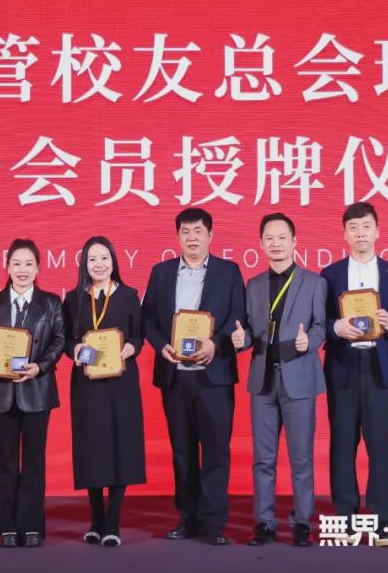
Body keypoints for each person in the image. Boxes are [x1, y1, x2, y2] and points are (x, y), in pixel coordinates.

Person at [141, 207, 247, 546]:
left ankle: (214, 522)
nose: (192, 238)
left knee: (216, 450)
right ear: (177, 237)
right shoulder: (161, 273)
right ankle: (187, 517)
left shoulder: (229, 272)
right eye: (185, 232)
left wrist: (216, 344)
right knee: (182, 450)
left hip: (214, 376)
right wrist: (161, 346)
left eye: (198, 231)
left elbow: (238, 317)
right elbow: (148, 320)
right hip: (176, 376)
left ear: (210, 236)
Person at [321, 201, 388, 541]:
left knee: (381, 446)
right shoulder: (330, 275)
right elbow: (319, 321)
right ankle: (345, 518)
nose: (360, 233)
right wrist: (336, 327)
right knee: (342, 444)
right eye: (354, 228)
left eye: (366, 227)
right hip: (343, 366)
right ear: (345, 234)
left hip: (380, 367)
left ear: (377, 231)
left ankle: (380, 520)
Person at [232, 213, 326, 547]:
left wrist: (309, 342)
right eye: (269, 238)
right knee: (263, 458)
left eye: (282, 237)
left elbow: (320, 326)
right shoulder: (254, 285)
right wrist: (241, 340)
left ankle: (302, 522)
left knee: (301, 458)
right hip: (262, 381)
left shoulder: (314, 283)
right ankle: (265, 521)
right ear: (260, 243)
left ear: (294, 241)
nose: (276, 244)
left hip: (299, 379)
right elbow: (246, 328)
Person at [0, 239, 66, 548]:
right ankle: (6, 526)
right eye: (16, 263)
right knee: (5, 460)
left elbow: (59, 340)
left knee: (33, 460)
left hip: (37, 390)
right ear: (7, 267)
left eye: (29, 264)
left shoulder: (51, 303)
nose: (23, 270)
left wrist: (40, 367)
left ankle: (30, 526)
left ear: (38, 268)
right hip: (2, 392)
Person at [63, 236, 146, 547]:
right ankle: (96, 519)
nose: (99, 264)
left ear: (113, 261)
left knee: (120, 445)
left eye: (104, 258)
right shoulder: (74, 299)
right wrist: (75, 349)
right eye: (92, 259)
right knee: (91, 447)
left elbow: (139, 334)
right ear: (84, 264)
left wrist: (132, 347)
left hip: (121, 383)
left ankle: (113, 523)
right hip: (87, 384)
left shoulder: (128, 295)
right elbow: (66, 340)